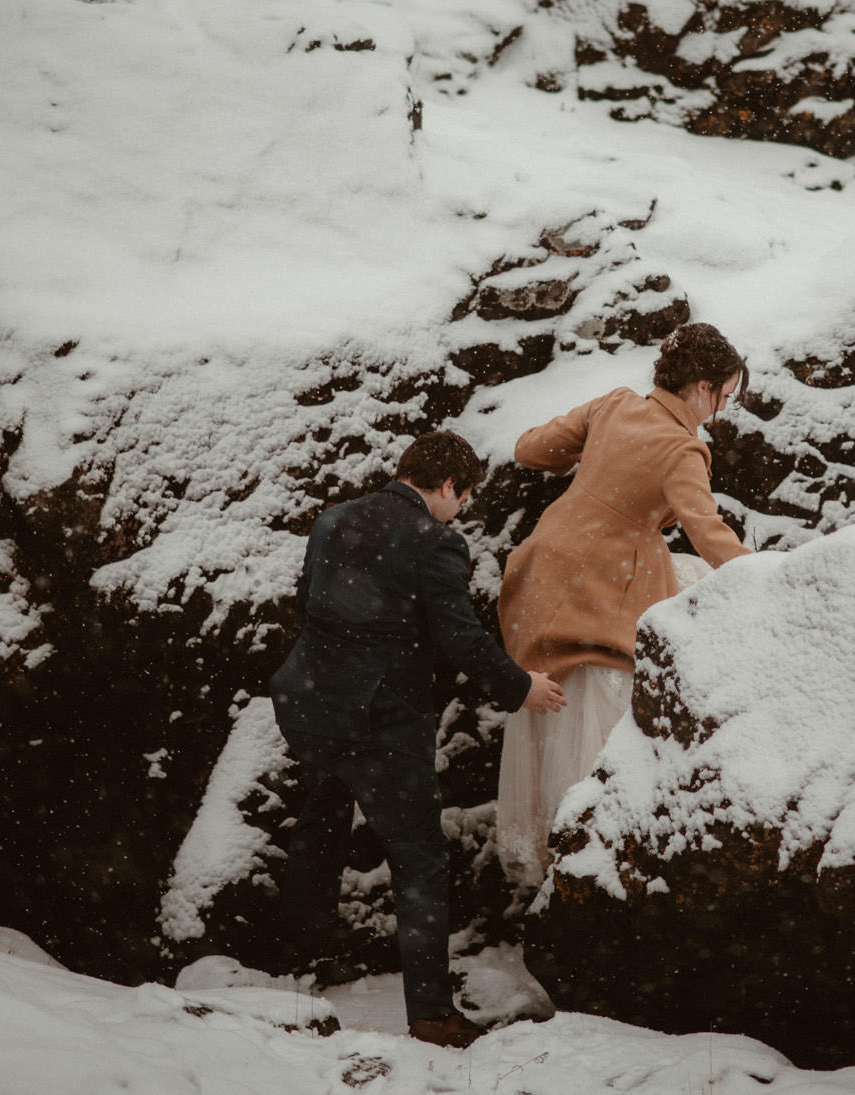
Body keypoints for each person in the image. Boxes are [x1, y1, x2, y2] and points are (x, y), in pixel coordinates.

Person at [269, 430, 566, 1050]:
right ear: (449, 485)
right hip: (377, 718)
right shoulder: (436, 541)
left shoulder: (333, 520)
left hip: (307, 701)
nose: (462, 510)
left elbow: (310, 604)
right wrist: (520, 687)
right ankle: (431, 1016)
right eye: (464, 497)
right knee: (420, 861)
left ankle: (296, 974)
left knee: (319, 827)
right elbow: (460, 637)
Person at [495, 322, 753, 884]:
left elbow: (529, 450)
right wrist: (760, 577)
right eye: (725, 397)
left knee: (550, 712)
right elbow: (707, 532)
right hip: (600, 587)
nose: (721, 411)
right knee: (597, 735)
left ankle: (545, 858)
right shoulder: (685, 449)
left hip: (542, 571)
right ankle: (586, 866)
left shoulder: (613, 404)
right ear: (703, 387)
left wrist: (589, 460)